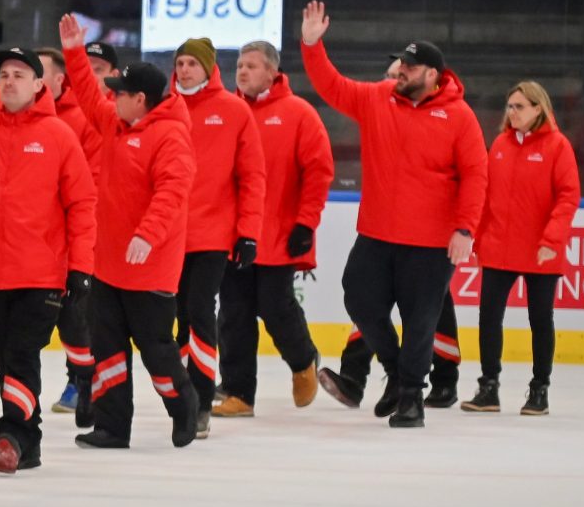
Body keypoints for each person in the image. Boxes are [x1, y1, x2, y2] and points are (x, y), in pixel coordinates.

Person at [300, 2, 487, 428]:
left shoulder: (460, 118)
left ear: (433, 75)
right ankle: (394, 366)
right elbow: (333, 86)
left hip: (431, 243)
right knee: (358, 298)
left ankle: (409, 399)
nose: (400, 72)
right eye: (399, 66)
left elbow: (477, 176)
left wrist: (465, 229)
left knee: (421, 322)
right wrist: (312, 45)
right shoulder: (378, 99)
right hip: (377, 235)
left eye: (409, 67)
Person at [58, 17, 199, 450]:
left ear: (141, 99)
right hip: (108, 264)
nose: (111, 97)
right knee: (109, 351)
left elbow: (173, 192)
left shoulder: (171, 136)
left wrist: (147, 235)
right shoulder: (116, 124)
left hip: (149, 267)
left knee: (156, 349)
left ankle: (184, 404)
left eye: (119, 92)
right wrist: (74, 52)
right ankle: (112, 427)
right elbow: (84, 92)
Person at [0, 47, 96, 472]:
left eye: (19, 74)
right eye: (3, 73)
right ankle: (30, 438)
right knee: (6, 358)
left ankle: (12, 435)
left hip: (41, 273)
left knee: (22, 354)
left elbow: (81, 205)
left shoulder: (59, 135)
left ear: (39, 84)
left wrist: (80, 267)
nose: (9, 81)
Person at [318, 58, 464, 411]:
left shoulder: (452, 118)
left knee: (428, 312)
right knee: (373, 303)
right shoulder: (383, 107)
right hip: (388, 232)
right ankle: (374, 378)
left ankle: (437, 381)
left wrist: (464, 228)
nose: (391, 83)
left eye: (399, 75)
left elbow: (471, 176)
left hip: (433, 236)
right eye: (388, 77)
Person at [215, 41, 331, 417]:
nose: (243, 72)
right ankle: (238, 391)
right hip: (233, 234)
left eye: (251, 65)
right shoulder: (229, 112)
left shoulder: (299, 113)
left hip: (279, 232)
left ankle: (302, 361)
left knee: (276, 306)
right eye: (239, 66)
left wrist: (306, 222)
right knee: (233, 312)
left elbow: (318, 172)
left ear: (272, 71)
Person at [166, 37, 265, 440]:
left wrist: (248, 233)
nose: (185, 69)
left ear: (209, 68)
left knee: (200, 312)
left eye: (193, 63)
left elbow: (252, 176)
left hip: (211, 234)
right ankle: (185, 392)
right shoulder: (164, 108)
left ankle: (202, 399)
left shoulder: (234, 110)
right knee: (178, 320)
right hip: (168, 236)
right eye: (181, 62)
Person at [465, 81, 580, 416]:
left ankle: (539, 389)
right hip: (498, 248)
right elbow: (485, 195)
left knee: (540, 319)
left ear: (537, 109)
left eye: (518, 106)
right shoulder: (500, 144)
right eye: (509, 106)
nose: (511, 113)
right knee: (489, 318)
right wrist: (478, 236)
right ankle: (489, 387)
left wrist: (551, 241)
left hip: (540, 250)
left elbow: (568, 197)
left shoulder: (558, 146)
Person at [36, 46, 100, 419]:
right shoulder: (19, 121)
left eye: (40, 73)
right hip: (34, 244)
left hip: (70, 240)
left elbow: (86, 187)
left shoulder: (83, 121)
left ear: (60, 80)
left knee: (76, 319)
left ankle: (85, 381)